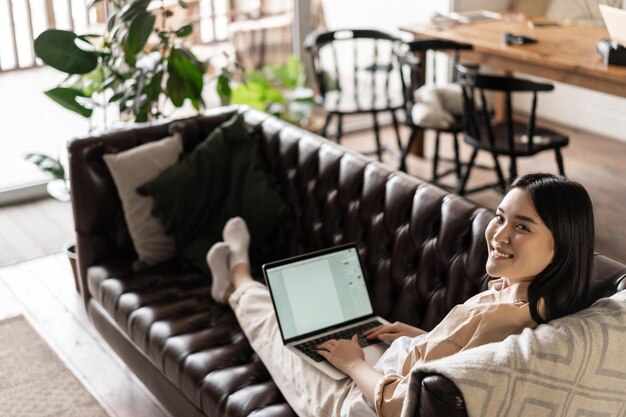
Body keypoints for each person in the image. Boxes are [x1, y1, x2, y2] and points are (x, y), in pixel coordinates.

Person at [205, 173, 595, 417]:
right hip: (392, 367)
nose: (499, 235)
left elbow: (402, 407)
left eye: (522, 227)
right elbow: (459, 368)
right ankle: (239, 280)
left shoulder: (504, 321)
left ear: (562, 244)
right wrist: (422, 338)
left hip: (362, 403)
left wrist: (353, 364)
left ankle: (237, 278)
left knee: (278, 335)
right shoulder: (526, 297)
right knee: (318, 330)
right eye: (499, 216)